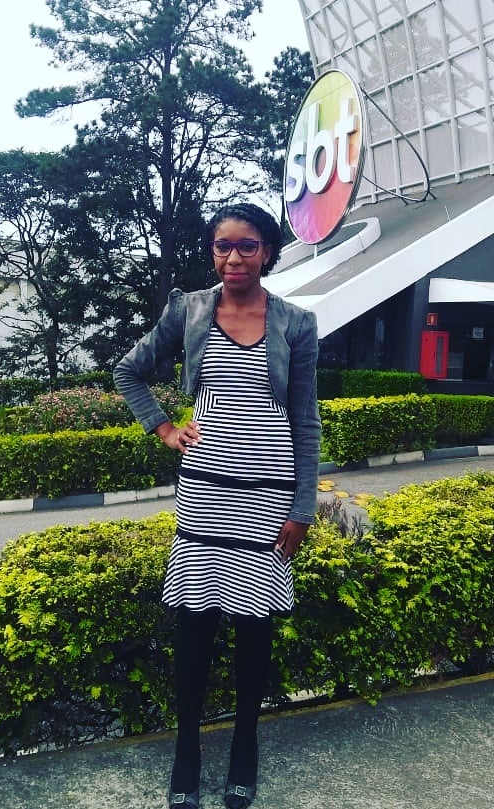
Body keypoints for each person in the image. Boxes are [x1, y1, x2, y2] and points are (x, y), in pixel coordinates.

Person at [113, 202, 321, 809]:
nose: (233, 257)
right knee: (194, 635)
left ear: (268, 252)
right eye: (222, 245)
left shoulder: (296, 323)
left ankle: (244, 751)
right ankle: (186, 755)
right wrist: (163, 428)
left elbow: (305, 421)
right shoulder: (189, 310)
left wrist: (303, 508)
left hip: (269, 499)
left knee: (254, 636)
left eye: (247, 246)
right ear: (212, 251)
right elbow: (128, 371)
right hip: (203, 497)